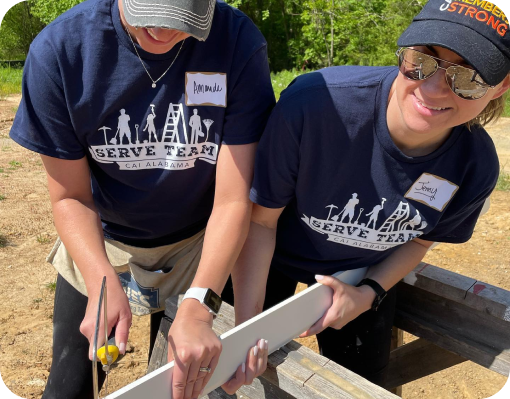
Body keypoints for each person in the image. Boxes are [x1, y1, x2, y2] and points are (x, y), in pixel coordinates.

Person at [225, 0, 510, 386]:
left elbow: (421, 242)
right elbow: (260, 223)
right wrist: (246, 327)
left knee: (365, 382)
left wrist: (369, 291)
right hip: (271, 253)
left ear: (501, 87)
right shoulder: (316, 106)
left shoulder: (474, 165)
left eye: (469, 76)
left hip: (364, 270)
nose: (433, 87)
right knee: (234, 372)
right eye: (422, 59)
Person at [9, 0, 275, 398]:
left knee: (191, 385)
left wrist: (200, 303)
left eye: (184, 22)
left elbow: (234, 201)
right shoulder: (61, 51)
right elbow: (70, 197)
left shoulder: (237, 42)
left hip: (203, 244)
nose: (165, 33)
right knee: (67, 386)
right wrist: (100, 280)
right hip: (106, 241)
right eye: (150, 14)